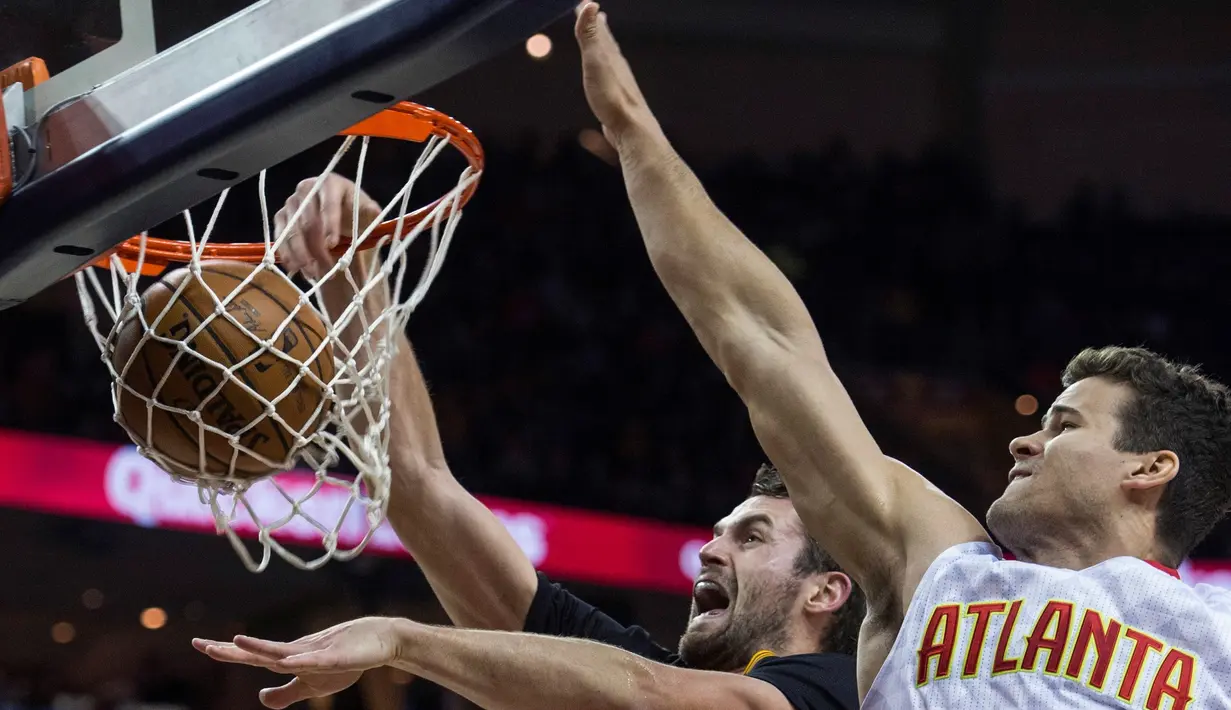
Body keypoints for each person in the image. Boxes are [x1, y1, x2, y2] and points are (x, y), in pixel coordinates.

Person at [546, 3, 1231, 709]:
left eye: (1064, 426)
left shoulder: (1219, 638)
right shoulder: (938, 564)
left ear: (1148, 468)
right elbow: (767, 343)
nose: (1024, 439)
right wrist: (632, 131)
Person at [192, 14, 864, 705]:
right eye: (722, 532)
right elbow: (417, 484)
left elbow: (648, 696)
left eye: (751, 537)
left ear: (825, 590)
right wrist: (353, 267)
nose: (710, 549)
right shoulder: (622, 679)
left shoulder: (842, 692)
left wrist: (405, 640)